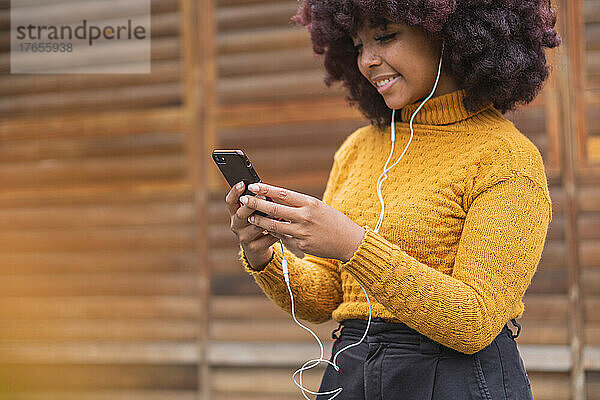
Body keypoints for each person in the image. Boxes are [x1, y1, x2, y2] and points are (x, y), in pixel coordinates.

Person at [224, 0, 560, 398]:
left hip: (454, 381)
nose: (368, 60)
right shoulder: (358, 149)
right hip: (351, 371)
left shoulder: (506, 158)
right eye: (357, 45)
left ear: (450, 35)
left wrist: (354, 245)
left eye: (385, 37)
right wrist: (263, 255)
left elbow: (477, 322)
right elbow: (324, 298)